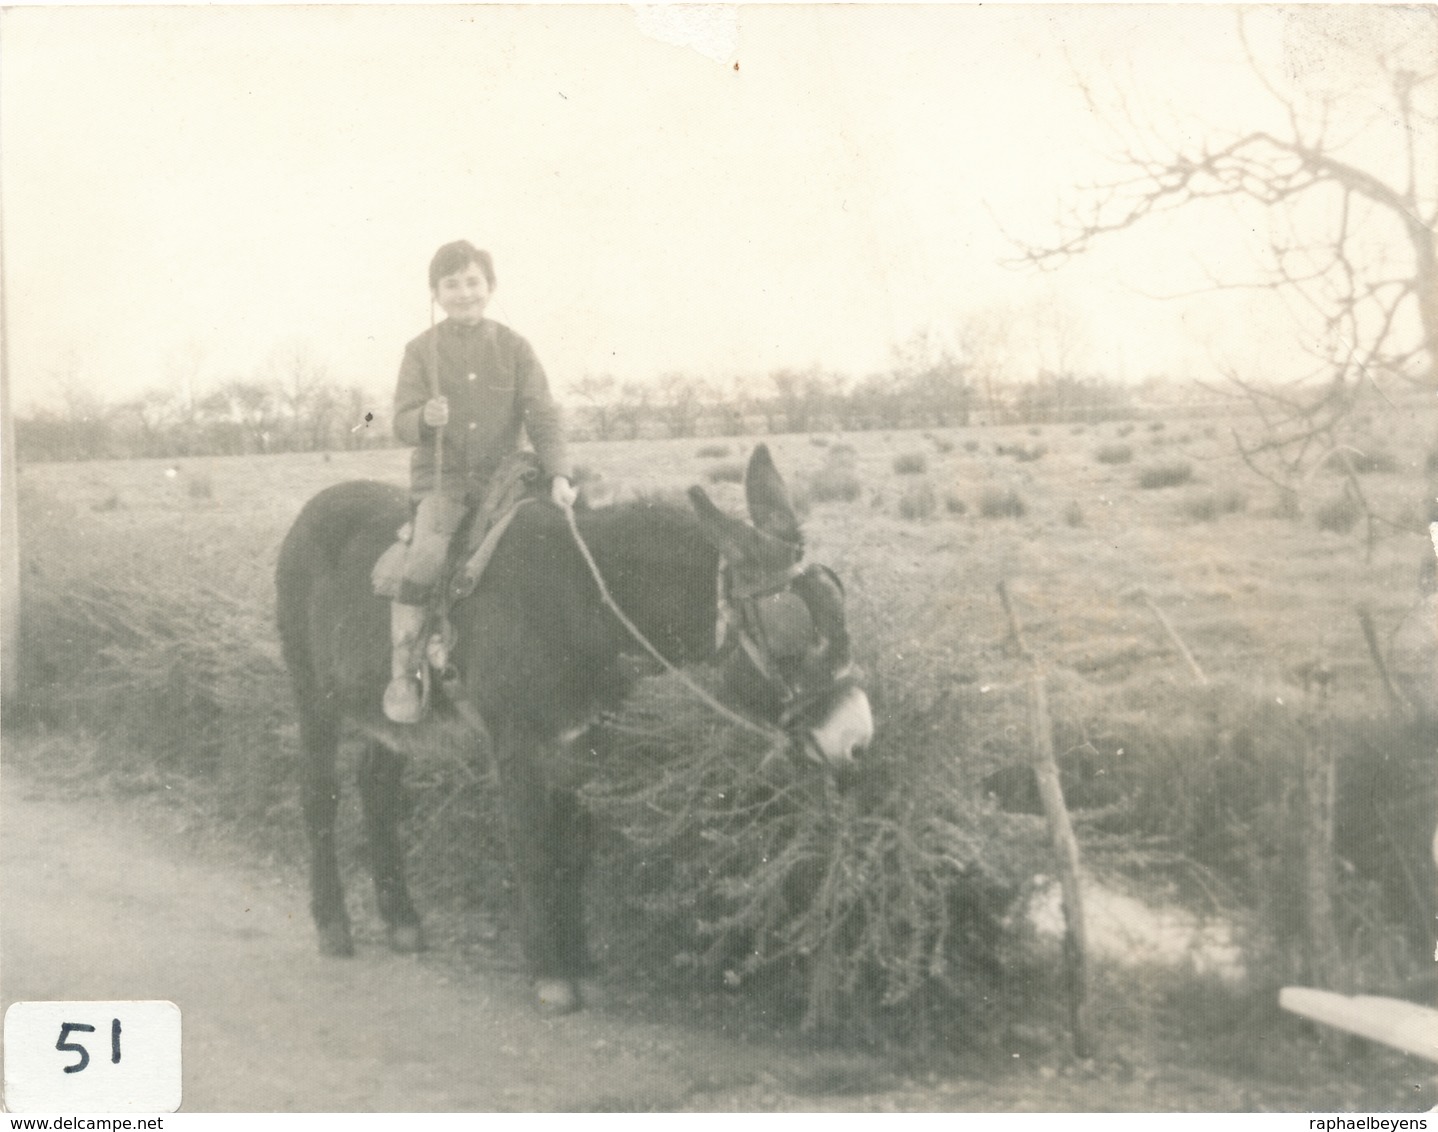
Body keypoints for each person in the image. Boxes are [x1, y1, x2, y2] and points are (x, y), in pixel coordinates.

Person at [385, 239, 577, 723]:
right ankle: (404, 669)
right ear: (436, 293)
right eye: (452, 284)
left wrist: (559, 474)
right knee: (426, 557)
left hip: (505, 481)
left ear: (490, 287)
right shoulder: (419, 352)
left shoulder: (515, 348)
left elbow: (542, 415)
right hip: (442, 482)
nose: (464, 292)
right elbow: (398, 422)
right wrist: (424, 419)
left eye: (473, 282)